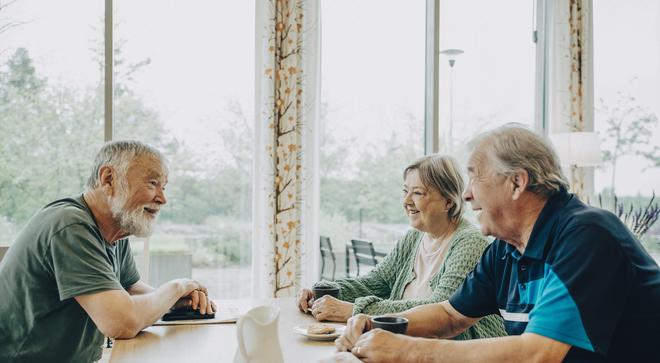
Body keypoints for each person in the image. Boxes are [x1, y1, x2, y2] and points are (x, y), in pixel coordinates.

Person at [336, 125, 660, 362]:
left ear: (517, 182)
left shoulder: (586, 235)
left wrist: (408, 351)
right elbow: (450, 316)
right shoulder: (505, 248)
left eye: (475, 176)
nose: (466, 194)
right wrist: (378, 326)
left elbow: (538, 353)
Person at [0, 141, 216, 362]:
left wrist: (175, 302)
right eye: (153, 183)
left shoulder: (114, 227)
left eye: (164, 186)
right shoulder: (71, 226)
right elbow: (120, 322)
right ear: (108, 179)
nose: (163, 198)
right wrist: (177, 286)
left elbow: (128, 288)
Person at [297, 155, 505, 340]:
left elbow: (438, 311)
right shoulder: (414, 238)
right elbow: (375, 282)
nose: (406, 201)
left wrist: (354, 310)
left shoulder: (470, 242)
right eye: (405, 191)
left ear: (448, 202)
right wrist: (325, 294)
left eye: (417, 193)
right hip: (405, 343)